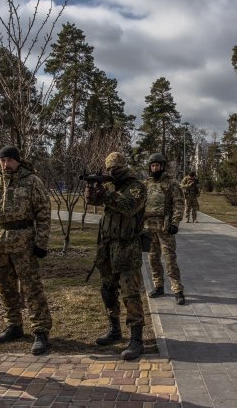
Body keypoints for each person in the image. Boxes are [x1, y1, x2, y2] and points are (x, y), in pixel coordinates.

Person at [0, 146, 52, 355]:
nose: (6, 164)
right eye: (2, 160)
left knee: (31, 288)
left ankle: (40, 330)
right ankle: (13, 325)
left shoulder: (32, 182)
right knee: (5, 288)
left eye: (9, 160)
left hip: (24, 243)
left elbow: (43, 212)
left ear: (17, 161)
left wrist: (41, 243)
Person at [84, 152, 147, 360]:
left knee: (130, 293)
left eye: (115, 170)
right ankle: (114, 329)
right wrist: (93, 194)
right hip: (107, 245)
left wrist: (106, 194)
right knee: (108, 289)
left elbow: (129, 207)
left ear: (123, 168)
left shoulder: (136, 186)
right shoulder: (114, 187)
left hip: (126, 246)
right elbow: (98, 204)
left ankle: (136, 339)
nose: (112, 173)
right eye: (109, 170)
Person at [144, 153, 186, 305]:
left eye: (157, 165)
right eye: (152, 165)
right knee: (153, 258)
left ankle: (177, 290)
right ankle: (158, 286)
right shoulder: (147, 183)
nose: (154, 168)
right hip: (149, 227)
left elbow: (179, 203)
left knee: (169, 259)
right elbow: (141, 203)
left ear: (162, 166)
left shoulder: (171, 183)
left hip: (165, 227)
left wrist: (175, 223)